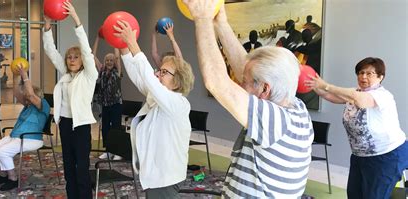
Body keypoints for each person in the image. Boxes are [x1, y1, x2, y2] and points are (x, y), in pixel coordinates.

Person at [182, 0, 313, 198]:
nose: (240, 86)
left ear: (265, 89)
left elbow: (216, 82)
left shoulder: (275, 121)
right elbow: (246, 67)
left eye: (245, 82)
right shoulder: (295, 107)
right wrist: (221, 24)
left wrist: (202, 19)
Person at [305, 57, 408, 199]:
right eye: (360, 72)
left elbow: (360, 100)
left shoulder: (383, 95)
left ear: (380, 77)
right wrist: (315, 86)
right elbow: (330, 96)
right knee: (354, 194)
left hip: (386, 155)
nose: (363, 76)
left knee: (374, 196)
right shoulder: (355, 92)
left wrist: (326, 85)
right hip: (360, 156)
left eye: (369, 73)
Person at [114, 20, 195, 198]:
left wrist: (133, 44)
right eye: (160, 71)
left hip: (166, 177)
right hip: (156, 174)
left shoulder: (178, 104)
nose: (158, 74)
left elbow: (149, 79)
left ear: (178, 81)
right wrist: (124, 48)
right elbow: (139, 77)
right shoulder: (159, 98)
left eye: (164, 72)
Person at [43, 2, 98, 199]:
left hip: (81, 127)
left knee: (81, 170)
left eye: (76, 57)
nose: (72, 60)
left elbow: (86, 48)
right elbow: (51, 51)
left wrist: (75, 18)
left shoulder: (89, 75)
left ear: (82, 60)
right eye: (69, 57)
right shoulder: (66, 75)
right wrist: (48, 26)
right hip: (65, 125)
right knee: (68, 169)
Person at [0, 64, 50, 191]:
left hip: (31, 139)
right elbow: (17, 93)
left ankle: (13, 178)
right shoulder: (28, 105)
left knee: (2, 152)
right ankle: (3, 174)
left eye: (28, 96)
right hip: (16, 136)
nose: (26, 98)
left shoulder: (43, 105)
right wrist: (15, 75)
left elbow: (31, 96)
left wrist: (25, 76)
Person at [92, 34, 123, 160]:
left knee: (115, 127)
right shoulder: (101, 70)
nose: (109, 62)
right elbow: (92, 56)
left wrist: (114, 41)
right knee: (105, 128)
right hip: (105, 104)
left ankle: (118, 151)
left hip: (116, 104)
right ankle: (108, 150)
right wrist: (98, 38)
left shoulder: (118, 71)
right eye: (107, 60)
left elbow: (118, 57)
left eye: (111, 60)